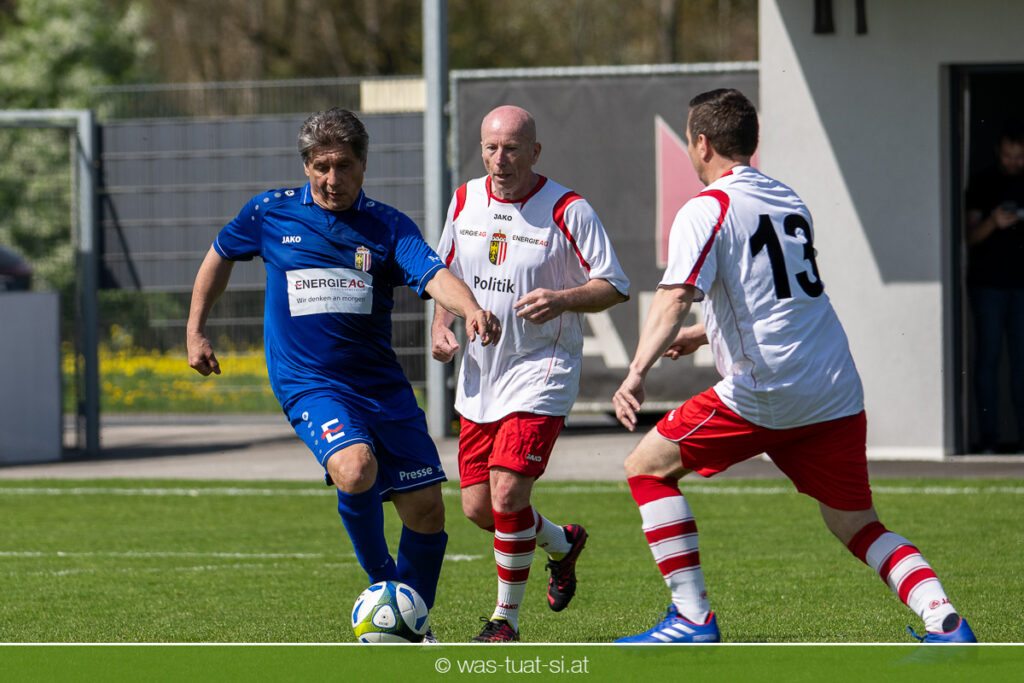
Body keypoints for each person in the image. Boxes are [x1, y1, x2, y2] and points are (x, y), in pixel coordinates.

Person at [611, 89, 975, 644]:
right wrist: (703, 334)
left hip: (769, 389)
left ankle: (691, 618)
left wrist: (637, 370)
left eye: (688, 139)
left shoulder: (707, 207)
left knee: (646, 467)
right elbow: (778, 297)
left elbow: (675, 295)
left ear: (702, 143)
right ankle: (944, 620)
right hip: (833, 388)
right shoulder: (786, 198)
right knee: (856, 523)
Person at [187, 108, 501, 643]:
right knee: (355, 469)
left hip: (381, 386)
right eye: (321, 167)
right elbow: (220, 254)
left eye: (344, 166)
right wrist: (195, 330)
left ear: (364, 164)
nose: (333, 179)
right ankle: (384, 586)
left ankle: (411, 626)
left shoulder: (389, 225)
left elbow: (434, 275)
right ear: (306, 166)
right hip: (309, 381)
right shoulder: (269, 213)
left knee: (427, 510)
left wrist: (470, 309)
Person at [431, 105, 629, 642]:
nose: (500, 159)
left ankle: (505, 620)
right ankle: (562, 543)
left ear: (535, 152)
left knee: (507, 496)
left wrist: (563, 298)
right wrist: (442, 325)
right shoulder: (465, 200)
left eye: (512, 148)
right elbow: (444, 274)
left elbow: (614, 284)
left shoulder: (567, 209)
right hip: (482, 375)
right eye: (491, 148)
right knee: (480, 508)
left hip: (541, 371)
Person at [965, 121, 1024, 454]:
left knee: (1021, 365)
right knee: (987, 361)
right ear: (998, 151)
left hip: (1021, 288)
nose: (1013, 162)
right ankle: (988, 441)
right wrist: (994, 221)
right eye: (1008, 155)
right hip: (987, 286)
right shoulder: (983, 182)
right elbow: (969, 237)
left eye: (1019, 156)